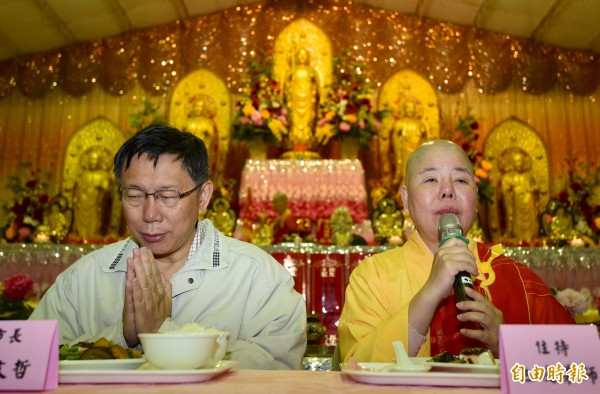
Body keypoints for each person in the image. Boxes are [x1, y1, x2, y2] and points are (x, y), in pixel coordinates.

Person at [30, 124, 307, 370]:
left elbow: (279, 368)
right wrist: (122, 338)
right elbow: (28, 360)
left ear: (203, 197)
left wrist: (162, 332)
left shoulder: (258, 277)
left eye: (167, 196)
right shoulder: (83, 279)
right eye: (134, 195)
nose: (150, 214)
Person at [338, 140, 573, 363]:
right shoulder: (372, 276)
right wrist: (429, 293)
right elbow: (355, 368)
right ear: (407, 200)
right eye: (431, 179)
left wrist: (509, 345)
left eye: (460, 180)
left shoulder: (515, 278)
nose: (447, 191)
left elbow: (580, 368)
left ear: (475, 196)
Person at [379, 99, 428, 204]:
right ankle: (403, 201)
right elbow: (395, 141)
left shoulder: (420, 125)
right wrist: (399, 158)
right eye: (408, 107)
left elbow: (425, 142)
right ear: (403, 110)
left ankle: (419, 201)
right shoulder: (400, 124)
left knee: (419, 176)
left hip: (418, 155)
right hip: (404, 154)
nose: (410, 110)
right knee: (405, 175)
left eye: (412, 108)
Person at [72, 146, 113, 239]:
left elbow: (106, 190)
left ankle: (94, 235)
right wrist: (77, 198)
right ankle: (80, 236)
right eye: (91, 160)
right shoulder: (84, 174)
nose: (92, 163)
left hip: (95, 203)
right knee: (80, 221)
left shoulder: (102, 175)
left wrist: (102, 188)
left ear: (99, 162)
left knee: (95, 220)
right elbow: (78, 189)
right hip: (82, 203)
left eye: (95, 160)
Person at [499, 149, 539, 243]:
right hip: (516, 204)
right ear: (513, 163)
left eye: (521, 161)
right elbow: (504, 190)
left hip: (529, 203)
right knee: (516, 221)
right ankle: (517, 236)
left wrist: (532, 191)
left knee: (531, 218)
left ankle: (530, 236)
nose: (519, 164)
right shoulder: (509, 177)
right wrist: (510, 189)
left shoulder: (528, 176)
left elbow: (534, 189)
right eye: (517, 161)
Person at [284, 47, 319, 150]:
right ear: (296, 57)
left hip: (308, 99)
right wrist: (289, 95)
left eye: (305, 55)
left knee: (308, 119)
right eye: (300, 55)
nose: (302, 58)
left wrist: (313, 94)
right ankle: (294, 137)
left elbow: (316, 87)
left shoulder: (311, 71)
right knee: (294, 120)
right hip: (295, 99)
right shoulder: (292, 71)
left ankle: (307, 137)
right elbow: (286, 86)